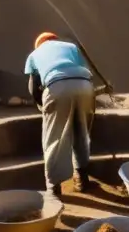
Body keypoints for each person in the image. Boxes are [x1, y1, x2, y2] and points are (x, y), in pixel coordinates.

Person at [25, 32, 96, 198]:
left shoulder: (34, 54)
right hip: (85, 86)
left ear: (39, 44)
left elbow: (33, 87)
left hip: (57, 86)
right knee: (82, 132)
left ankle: (53, 189)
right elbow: (83, 70)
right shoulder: (71, 47)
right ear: (55, 40)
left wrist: (43, 106)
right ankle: (81, 178)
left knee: (53, 137)